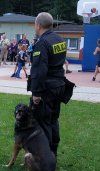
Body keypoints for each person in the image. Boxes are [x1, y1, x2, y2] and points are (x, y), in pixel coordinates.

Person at [28, 12, 67, 159]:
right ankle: (53, 154)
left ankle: (44, 158)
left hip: (46, 88)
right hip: (59, 85)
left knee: (43, 122)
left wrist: (36, 93)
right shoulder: (59, 39)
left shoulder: (42, 43)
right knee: (53, 120)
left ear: (38, 25)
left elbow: (39, 70)